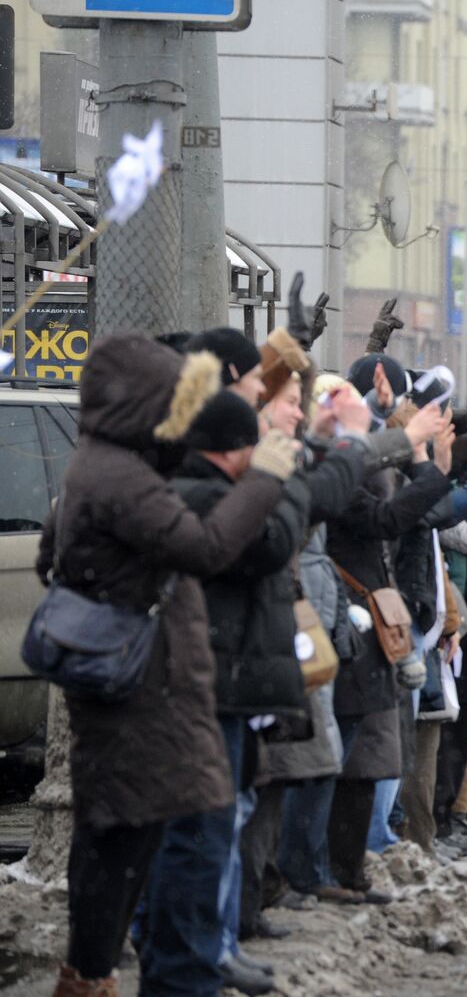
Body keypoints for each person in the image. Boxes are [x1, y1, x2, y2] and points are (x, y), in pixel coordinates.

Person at [37, 337, 291, 997]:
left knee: (129, 840)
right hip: (142, 691)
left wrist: (284, 365)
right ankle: (132, 977)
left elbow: (48, 556)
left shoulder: (108, 464)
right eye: (175, 402)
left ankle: (98, 974)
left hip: (146, 686)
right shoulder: (119, 478)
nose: (183, 417)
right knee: (140, 842)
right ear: (146, 405)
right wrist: (264, 476)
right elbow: (205, 547)